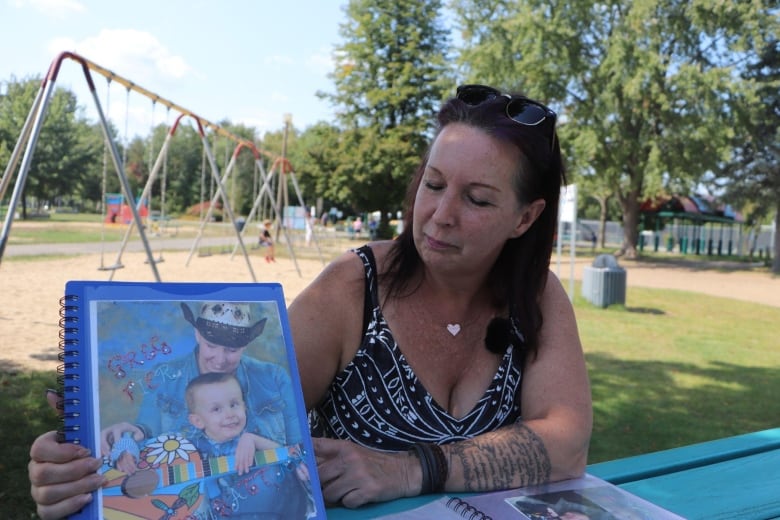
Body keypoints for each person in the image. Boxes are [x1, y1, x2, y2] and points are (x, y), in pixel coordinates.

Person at [29, 83, 592, 517]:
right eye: (434, 184)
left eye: (477, 199)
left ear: (525, 217)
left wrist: (408, 470)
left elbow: (566, 445)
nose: (441, 215)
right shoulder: (353, 288)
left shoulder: (536, 296)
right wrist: (98, 453)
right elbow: (215, 407)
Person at [184, 372, 281, 475]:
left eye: (234, 405)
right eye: (216, 409)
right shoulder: (190, 448)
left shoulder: (256, 432)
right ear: (198, 421)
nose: (229, 414)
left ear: (244, 407)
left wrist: (254, 440)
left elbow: (289, 455)